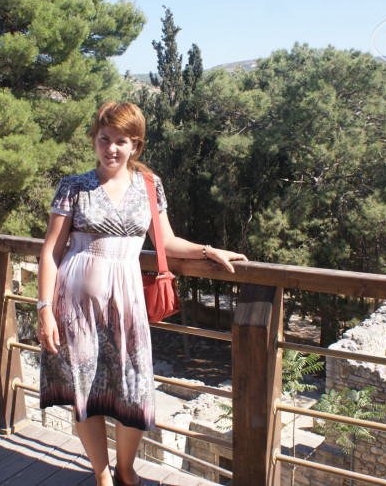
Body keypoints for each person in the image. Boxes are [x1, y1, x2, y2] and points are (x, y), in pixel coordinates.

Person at [37, 101, 247, 486]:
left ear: (135, 145)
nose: (111, 148)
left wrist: (207, 251)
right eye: (104, 139)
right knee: (85, 389)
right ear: (94, 139)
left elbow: (166, 241)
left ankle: (126, 469)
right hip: (75, 305)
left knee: (134, 388)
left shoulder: (150, 185)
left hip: (127, 303)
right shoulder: (73, 186)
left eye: (121, 141)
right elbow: (51, 251)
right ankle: (102, 475)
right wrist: (45, 308)